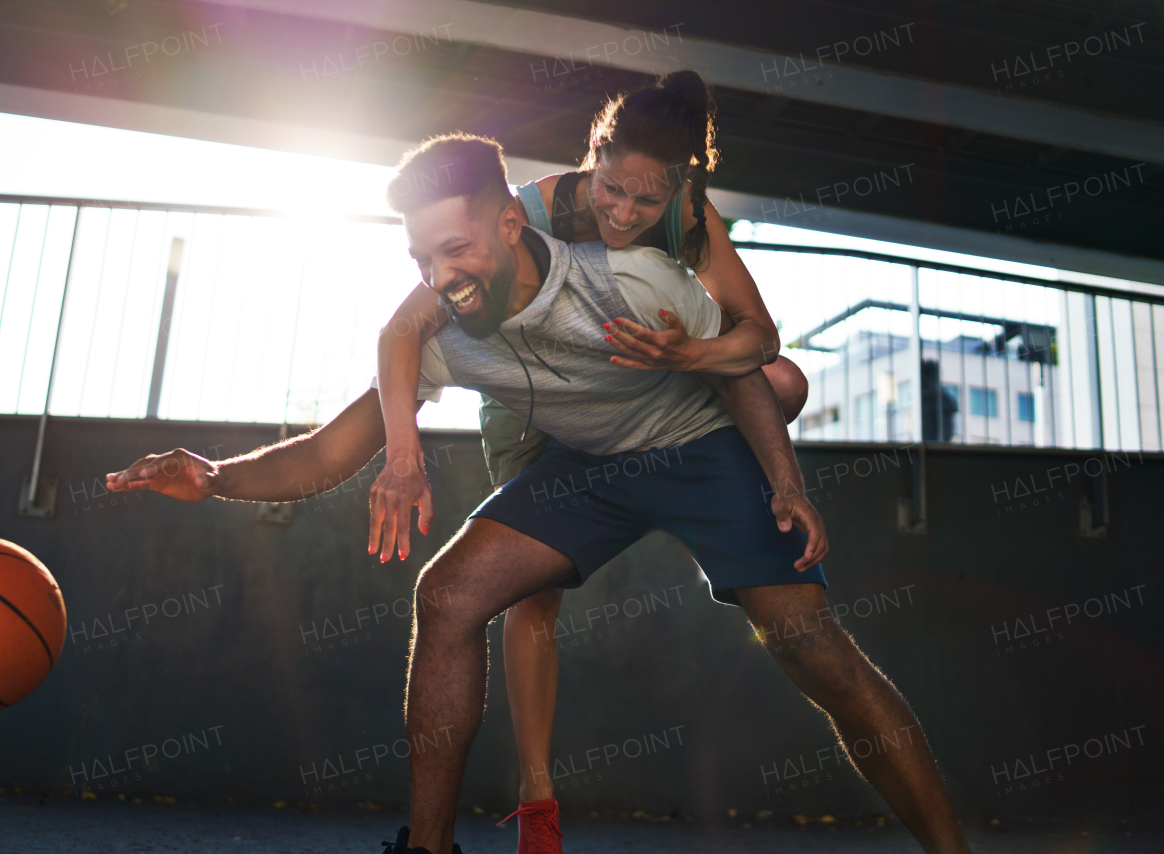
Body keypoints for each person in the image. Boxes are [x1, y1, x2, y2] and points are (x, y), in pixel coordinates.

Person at [108, 134, 972, 854]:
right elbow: (332, 452)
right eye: (422, 258)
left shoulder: (625, 274)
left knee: (809, 647)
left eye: (457, 247)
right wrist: (217, 478)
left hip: (697, 444)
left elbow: (742, 364)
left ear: (512, 222)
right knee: (447, 595)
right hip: (586, 468)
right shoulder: (443, 334)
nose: (442, 274)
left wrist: (785, 481)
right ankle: (430, 849)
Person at [369, 71, 815, 851]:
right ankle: (536, 799)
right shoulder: (531, 210)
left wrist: (693, 354)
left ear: (677, 189)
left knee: (786, 383)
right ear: (591, 158)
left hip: (631, 384)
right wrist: (401, 449)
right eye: (612, 190)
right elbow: (404, 326)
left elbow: (761, 340)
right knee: (525, 591)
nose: (624, 213)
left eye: (645, 201)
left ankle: (719, 475)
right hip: (528, 394)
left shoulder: (687, 218)